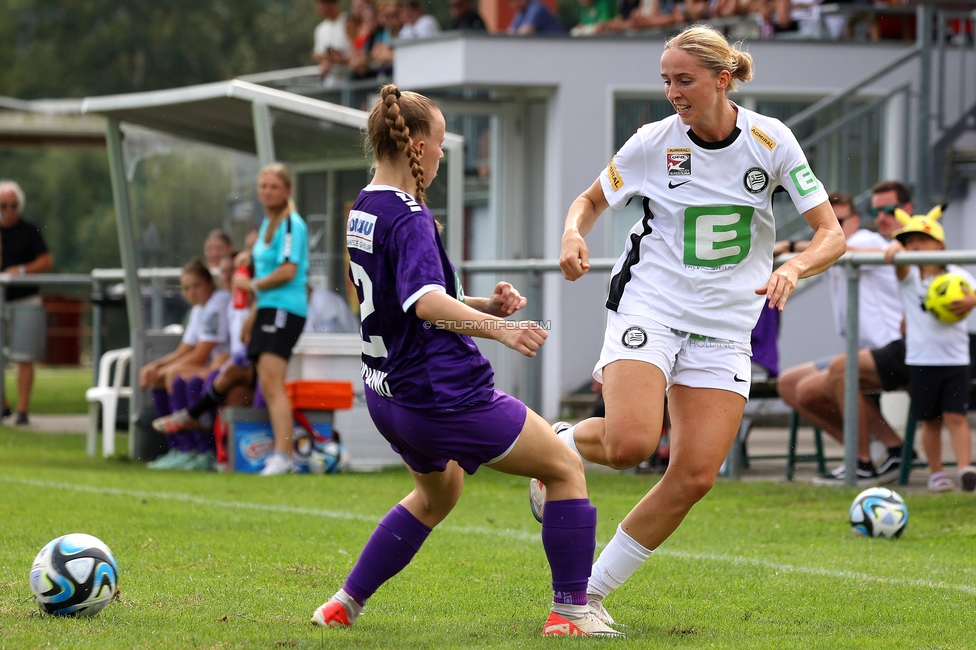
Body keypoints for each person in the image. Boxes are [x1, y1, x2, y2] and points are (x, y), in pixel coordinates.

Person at [530, 25, 845, 627]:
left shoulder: (770, 140)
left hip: (726, 325)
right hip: (651, 306)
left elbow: (832, 235)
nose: (673, 91)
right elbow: (590, 199)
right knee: (631, 445)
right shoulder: (653, 141)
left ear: (723, 79)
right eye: (666, 80)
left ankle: (583, 598)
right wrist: (574, 233)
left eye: (684, 79)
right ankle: (562, 445)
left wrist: (795, 266)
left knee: (695, 475)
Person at [310, 84, 618, 638]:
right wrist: (501, 329)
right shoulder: (409, 216)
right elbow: (425, 302)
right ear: (419, 146)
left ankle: (344, 603)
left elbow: (406, 296)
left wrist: (480, 303)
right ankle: (571, 613)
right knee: (564, 469)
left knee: (438, 494)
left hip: (388, 396)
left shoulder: (365, 206)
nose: (445, 154)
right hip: (443, 394)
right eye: (444, 142)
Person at [774, 190, 906, 485]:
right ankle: (884, 448)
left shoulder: (864, 241)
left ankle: (861, 462)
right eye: (826, 219)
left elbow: (840, 247)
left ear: (855, 221)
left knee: (838, 371)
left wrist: (795, 245)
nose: (831, 225)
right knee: (791, 385)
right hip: (864, 351)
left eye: (840, 220)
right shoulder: (836, 247)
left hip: (895, 347)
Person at [885, 206, 976, 492]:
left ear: (939, 243)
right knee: (930, 419)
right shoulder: (910, 276)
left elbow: (972, 293)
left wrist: (971, 302)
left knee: (956, 416)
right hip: (921, 359)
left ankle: (964, 468)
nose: (914, 246)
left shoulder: (957, 273)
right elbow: (897, 262)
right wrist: (893, 249)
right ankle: (936, 472)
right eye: (908, 241)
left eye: (921, 240)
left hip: (956, 359)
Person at [231, 163, 309, 476]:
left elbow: (288, 270)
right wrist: (247, 260)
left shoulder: (291, 223)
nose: (267, 192)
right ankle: (282, 452)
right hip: (268, 308)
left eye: (274, 187)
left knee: (274, 384)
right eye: (263, 186)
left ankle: (284, 455)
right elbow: (265, 263)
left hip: (284, 308)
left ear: (287, 191)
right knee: (267, 381)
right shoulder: (267, 224)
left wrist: (252, 285)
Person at [141, 258, 231, 470]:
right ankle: (178, 449)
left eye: (196, 286)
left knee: (178, 379)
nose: (191, 292)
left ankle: (201, 451)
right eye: (186, 288)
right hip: (214, 363)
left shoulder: (218, 302)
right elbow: (184, 349)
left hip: (224, 364)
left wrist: (169, 370)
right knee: (159, 378)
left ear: (210, 283)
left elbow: (201, 353)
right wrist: (156, 367)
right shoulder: (199, 308)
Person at [0, 180, 53, 425]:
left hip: (25, 298)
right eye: (3, 206)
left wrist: (19, 270)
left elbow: (46, 261)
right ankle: (3, 406)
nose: (9, 210)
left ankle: (22, 410)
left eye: (14, 205)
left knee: (25, 354)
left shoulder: (29, 231)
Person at [312, 0, 351, 86]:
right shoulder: (320, 29)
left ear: (333, 4)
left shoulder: (349, 22)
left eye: (322, 3)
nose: (319, 7)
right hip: (330, 83)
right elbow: (319, 54)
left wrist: (335, 59)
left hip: (351, 81)